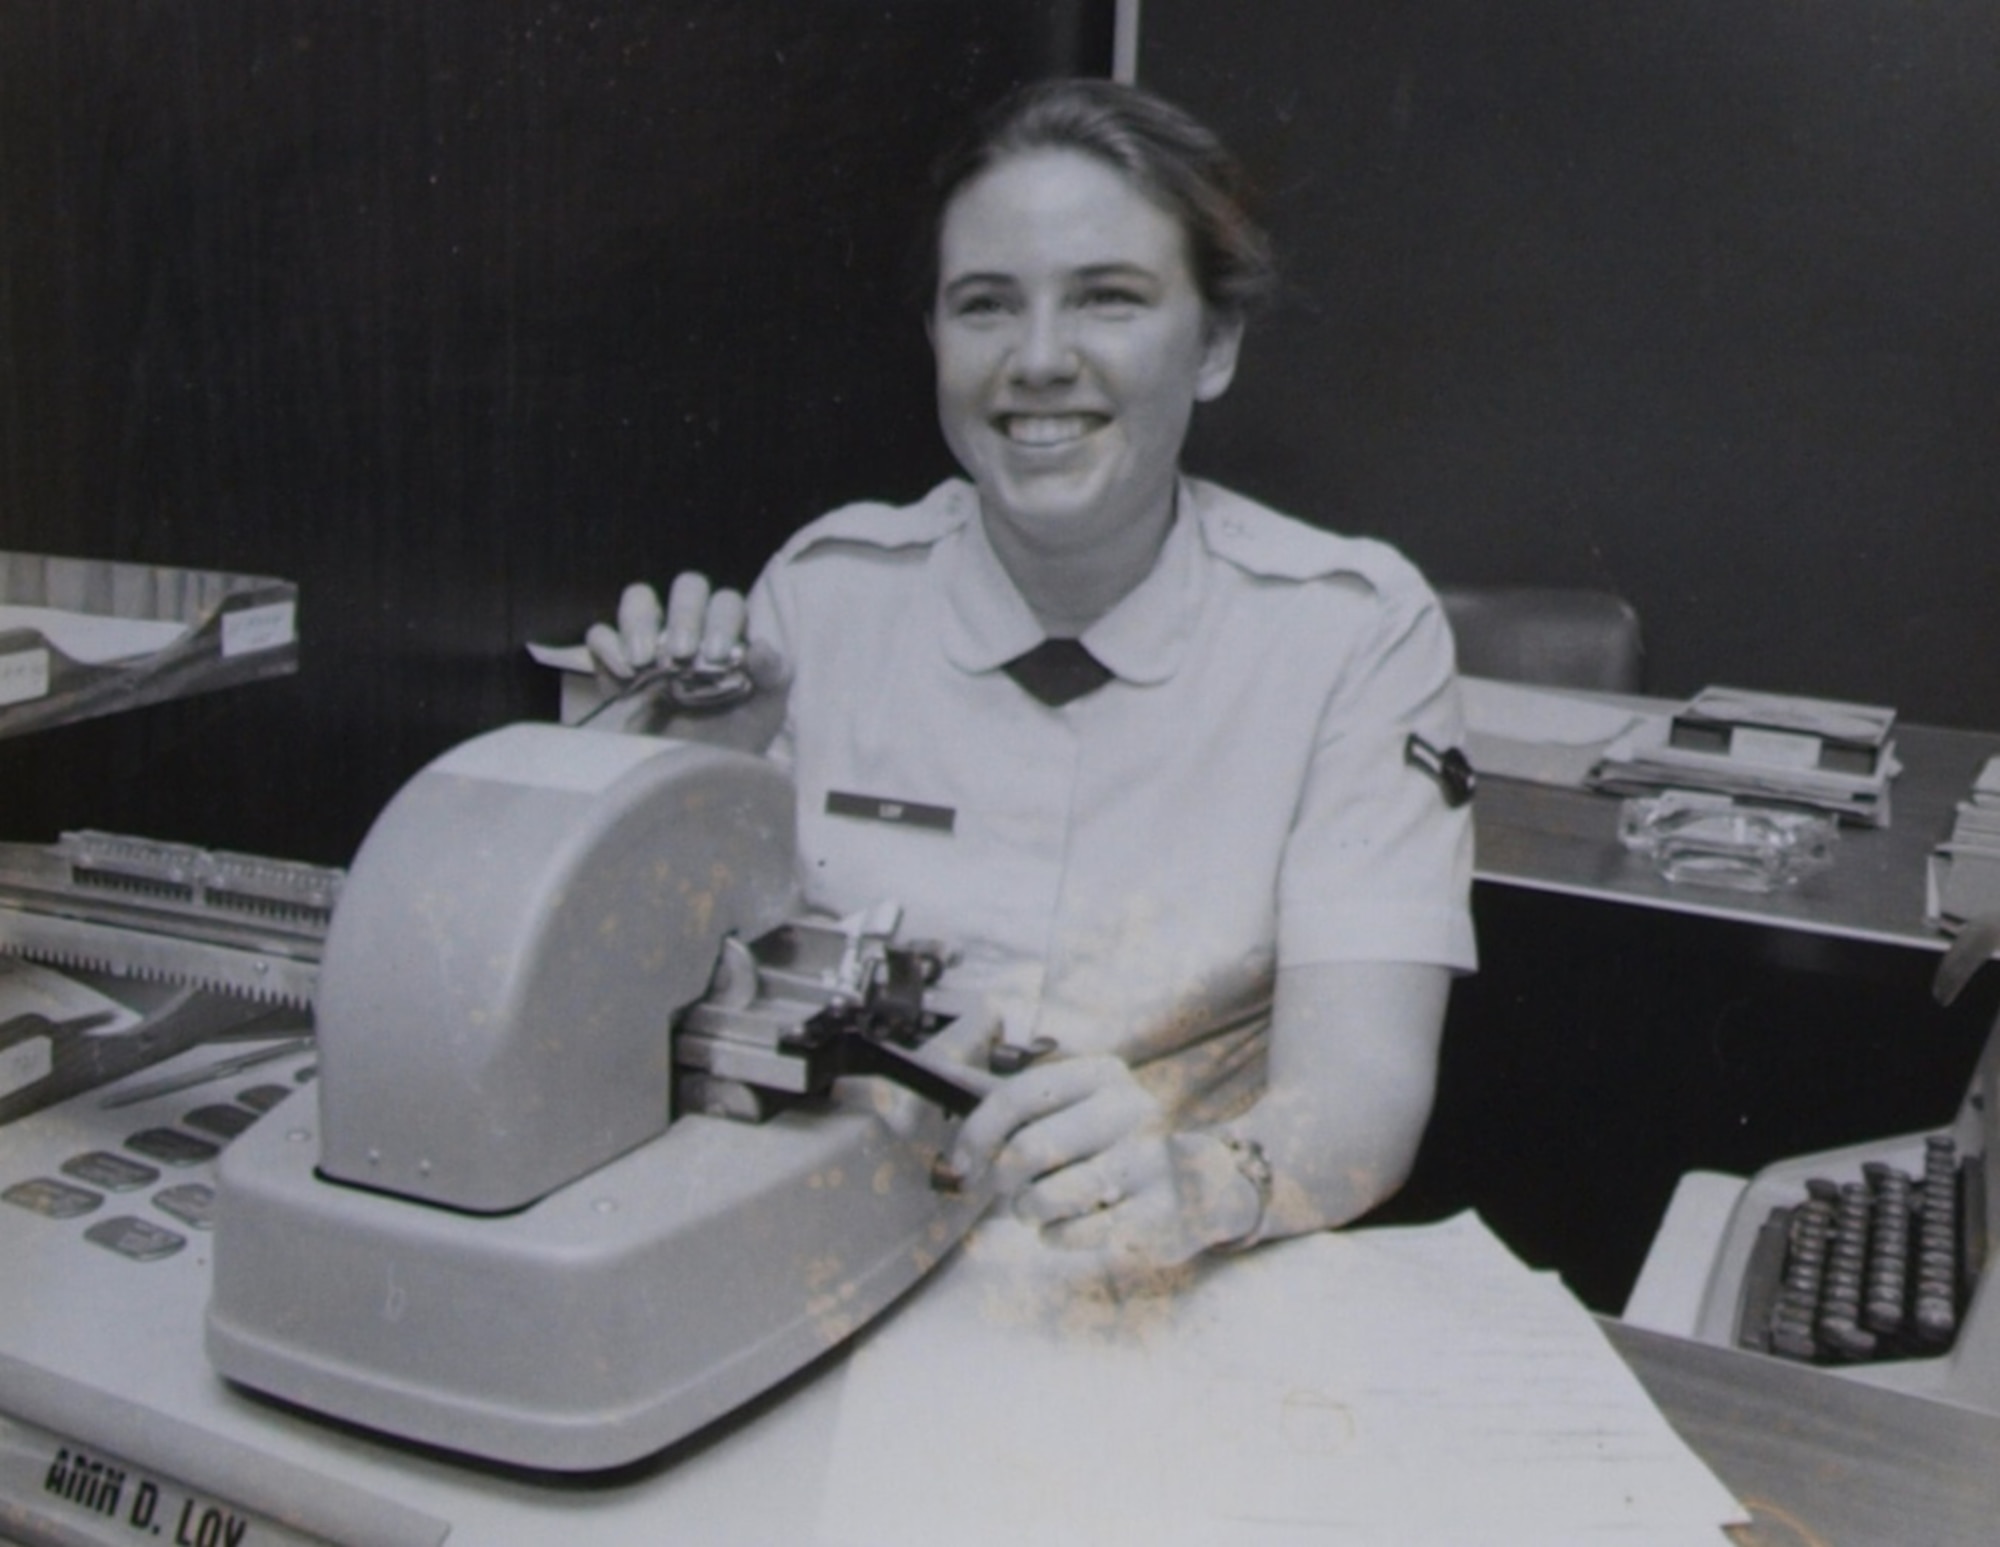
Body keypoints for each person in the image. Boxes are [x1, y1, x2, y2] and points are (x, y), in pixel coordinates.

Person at [588, 78, 1476, 1276]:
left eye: (1106, 300)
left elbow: (1362, 1101)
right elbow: (657, 1031)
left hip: (1172, 1276)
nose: (1038, 360)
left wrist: (1200, 1180)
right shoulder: (824, 593)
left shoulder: (1348, 632)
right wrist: (648, 787)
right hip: (835, 1258)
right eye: (985, 307)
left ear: (1212, 344)